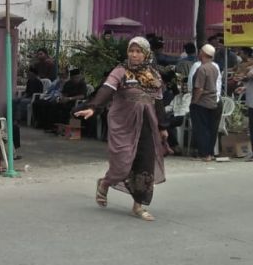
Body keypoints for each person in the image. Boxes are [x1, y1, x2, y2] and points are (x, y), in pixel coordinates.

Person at [74, 37, 170, 222]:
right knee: (123, 162)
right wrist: (93, 107)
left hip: (146, 125)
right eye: (131, 51)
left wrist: (162, 126)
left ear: (146, 53)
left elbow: (158, 102)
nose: (134, 55)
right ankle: (105, 182)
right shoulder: (120, 71)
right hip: (123, 124)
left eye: (138, 51)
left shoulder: (154, 75)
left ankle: (138, 206)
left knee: (144, 165)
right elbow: (106, 90)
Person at [190, 44, 221, 161]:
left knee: (201, 129)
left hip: (202, 102)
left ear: (202, 53)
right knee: (211, 128)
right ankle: (210, 153)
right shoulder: (214, 67)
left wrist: (194, 101)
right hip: (213, 101)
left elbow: (199, 88)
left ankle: (204, 153)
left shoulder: (202, 69)